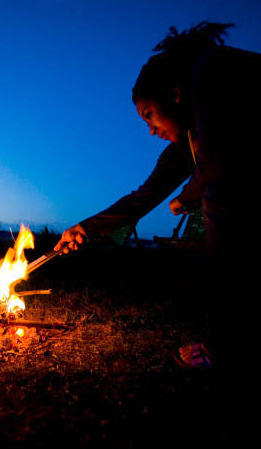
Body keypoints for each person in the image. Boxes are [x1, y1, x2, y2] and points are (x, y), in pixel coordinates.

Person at [55, 22, 261, 376]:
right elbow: (143, 197)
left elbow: (227, 160)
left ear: (176, 95)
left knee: (219, 200)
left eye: (149, 115)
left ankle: (227, 349)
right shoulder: (187, 144)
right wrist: (85, 228)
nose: (150, 130)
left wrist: (190, 193)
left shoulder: (214, 71)